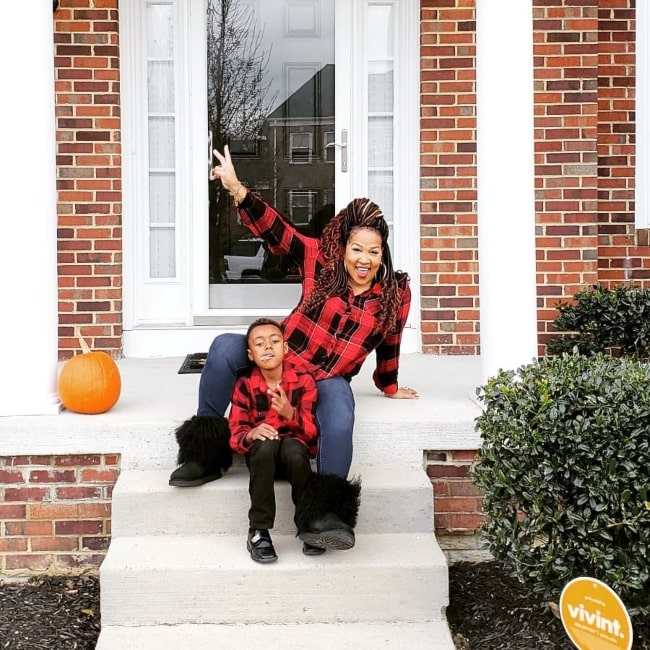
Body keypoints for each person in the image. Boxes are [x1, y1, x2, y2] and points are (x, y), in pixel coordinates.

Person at [169, 145, 418, 551]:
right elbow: (278, 231)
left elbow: (391, 342)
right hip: (282, 359)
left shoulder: (394, 294)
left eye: (373, 252)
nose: (364, 259)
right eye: (357, 249)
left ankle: (323, 513)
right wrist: (238, 190)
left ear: (382, 252)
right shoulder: (322, 260)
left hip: (328, 379)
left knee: (341, 414)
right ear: (344, 246)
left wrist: (389, 384)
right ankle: (204, 453)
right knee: (224, 347)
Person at [229, 317, 324, 562]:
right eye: (260, 344)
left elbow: (312, 434)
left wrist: (290, 414)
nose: (268, 347)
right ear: (251, 355)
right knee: (265, 442)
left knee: (293, 447)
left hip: (294, 459)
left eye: (274, 341)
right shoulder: (244, 385)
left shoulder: (304, 382)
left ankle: (308, 523)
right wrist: (251, 433)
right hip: (263, 460)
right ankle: (259, 530)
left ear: (286, 348)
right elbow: (236, 433)